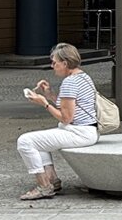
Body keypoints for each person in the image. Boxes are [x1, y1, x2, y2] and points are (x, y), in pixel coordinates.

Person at [16, 43, 100, 200]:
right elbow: (70, 107)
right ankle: (52, 180)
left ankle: (43, 186)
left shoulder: (70, 82)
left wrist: (44, 103)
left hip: (78, 133)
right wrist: (49, 94)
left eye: (54, 62)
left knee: (25, 141)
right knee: (39, 141)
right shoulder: (83, 77)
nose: (52, 66)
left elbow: (66, 118)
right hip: (87, 130)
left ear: (65, 63)